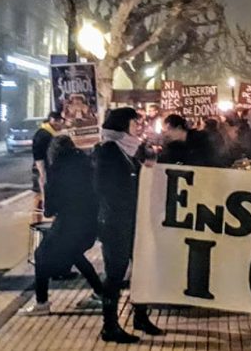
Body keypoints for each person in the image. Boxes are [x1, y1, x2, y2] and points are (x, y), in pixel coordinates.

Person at [94, 107, 162, 343]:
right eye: (135, 122)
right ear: (123, 125)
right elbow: (106, 187)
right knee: (115, 272)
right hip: (115, 221)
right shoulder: (108, 151)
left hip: (132, 218)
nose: (139, 126)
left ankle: (140, 317)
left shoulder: (131, 148)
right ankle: (109, 326)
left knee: (141, 266)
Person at [19, 135, 102, 316]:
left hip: (68, 224)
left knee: (41, 256)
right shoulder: (87, 164)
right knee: (75, 255)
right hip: (90, 224)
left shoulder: (56, 171)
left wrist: (44, 186)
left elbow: (49, 211)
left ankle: (42, 303)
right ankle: (101, 293)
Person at [31, 112, 64, 220]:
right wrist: (42, 171)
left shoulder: (48, 132)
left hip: (43, 168)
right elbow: (38, 155)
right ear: (53, 120)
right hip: (41, 169)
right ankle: (37, 220)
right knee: (41, 195)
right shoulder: (44, 134)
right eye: (60, 122)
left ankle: (38, 219)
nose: (61, 124)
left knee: (41, 196)